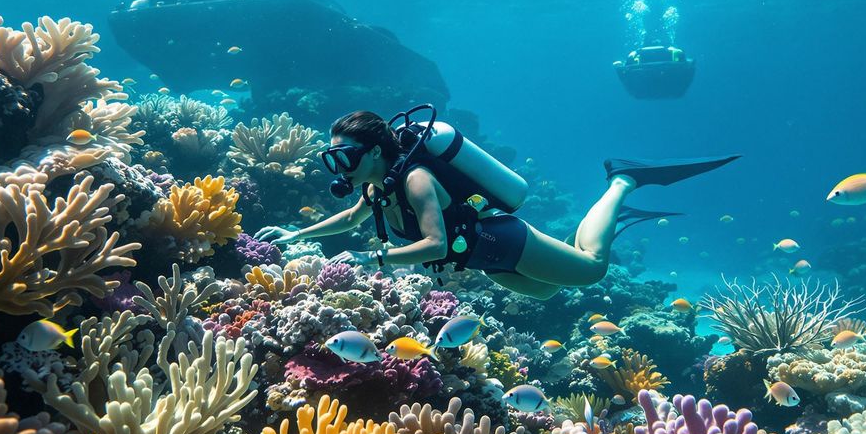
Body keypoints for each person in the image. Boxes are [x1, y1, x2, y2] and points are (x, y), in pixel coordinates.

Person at [255, 110, 736, 300]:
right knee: (548, 293)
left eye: (347, 155)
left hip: (504, 241)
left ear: (376, 152)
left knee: (591, 270)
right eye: (333, 157)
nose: (341, 166)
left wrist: (372, 258)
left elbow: (433, 242)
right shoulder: (376, 185)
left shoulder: (417, 179)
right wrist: (296, 235)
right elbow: (351, 217)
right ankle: (607, 216)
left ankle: (623, 181)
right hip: (487, 262)